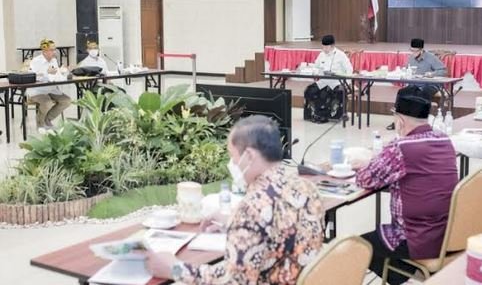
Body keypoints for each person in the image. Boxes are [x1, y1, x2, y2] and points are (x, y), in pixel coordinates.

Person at [144, 115, 325, 284]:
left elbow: (234, 281)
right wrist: (235, 225)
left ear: (249, 156)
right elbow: (280, 233)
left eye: (233, 157)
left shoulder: (251, 208)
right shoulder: (308, 188)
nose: (232, 165)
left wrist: (175, 269)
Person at [353, 89, 458, 285]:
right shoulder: (445, 140)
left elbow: (366, 179)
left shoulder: (400, 147)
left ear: (400, 120)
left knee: (359, 247)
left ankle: (410, 277)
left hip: (416, 238)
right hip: (448, 233)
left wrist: (364, 164)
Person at [387, 38, 448, 130]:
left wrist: (432, 74)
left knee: (420, 94)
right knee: (402, 92)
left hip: (430, 85)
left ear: (421, 50)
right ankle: (399, 121)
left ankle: (418, 123)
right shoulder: (411, 58)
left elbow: (443, 70)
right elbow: (406, 68)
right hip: (415, 84)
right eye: (411, 50)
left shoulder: (431, 58)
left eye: (415, 51)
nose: (413, 53)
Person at [28, 39, 71, 130]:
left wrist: (63, 72)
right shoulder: (36, 61)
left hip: (51, 89)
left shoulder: (54, 60)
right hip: (37, 91)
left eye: (54, 50)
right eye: (51, 50)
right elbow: (32, 76)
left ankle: (47, 119)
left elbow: (55, 75)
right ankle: (40, 122)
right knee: (47, 103)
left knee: (66, 100)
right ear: (44, 51)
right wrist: (45, 72)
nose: (54, 52)